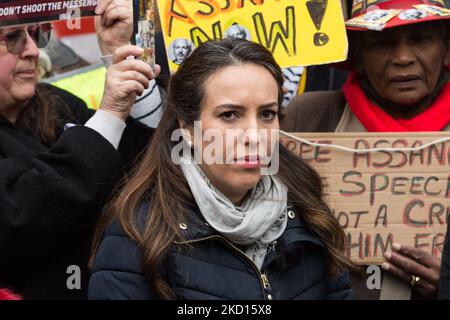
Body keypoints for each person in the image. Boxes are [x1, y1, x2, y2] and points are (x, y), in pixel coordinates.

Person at [88, 39, 354, 300]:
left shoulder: (308, 211)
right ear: (188, 129)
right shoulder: (137, 235)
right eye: (229, 115)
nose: (254, 135)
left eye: (267, 114)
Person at [282, 0, 450, 299]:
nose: (403, 58)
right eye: (382, 43)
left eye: (420, 39)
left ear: (446, 48)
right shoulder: (308, 118)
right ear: (357, 56)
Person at [0, 0, 160, 299]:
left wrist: (123, 58)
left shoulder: (53, 102)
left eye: (38, 34)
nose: (33, 50)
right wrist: (110, 112)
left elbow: (144, 165)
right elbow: (18, 218)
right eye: (12, 38)